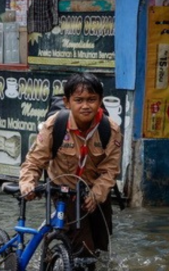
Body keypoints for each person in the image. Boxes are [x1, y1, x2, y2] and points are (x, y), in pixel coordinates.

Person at [19, 72, 123, 260]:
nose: (85, 106)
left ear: (100, 101)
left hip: (95, 194)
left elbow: (110, 170)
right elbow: (34, 161)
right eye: (79, 100)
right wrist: (28, 183)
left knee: (102, 247)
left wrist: (96, 194)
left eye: (91, 99)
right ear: (68, 102)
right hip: (65, 193)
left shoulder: (110, 129)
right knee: (84, 250)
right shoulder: (55, 125)